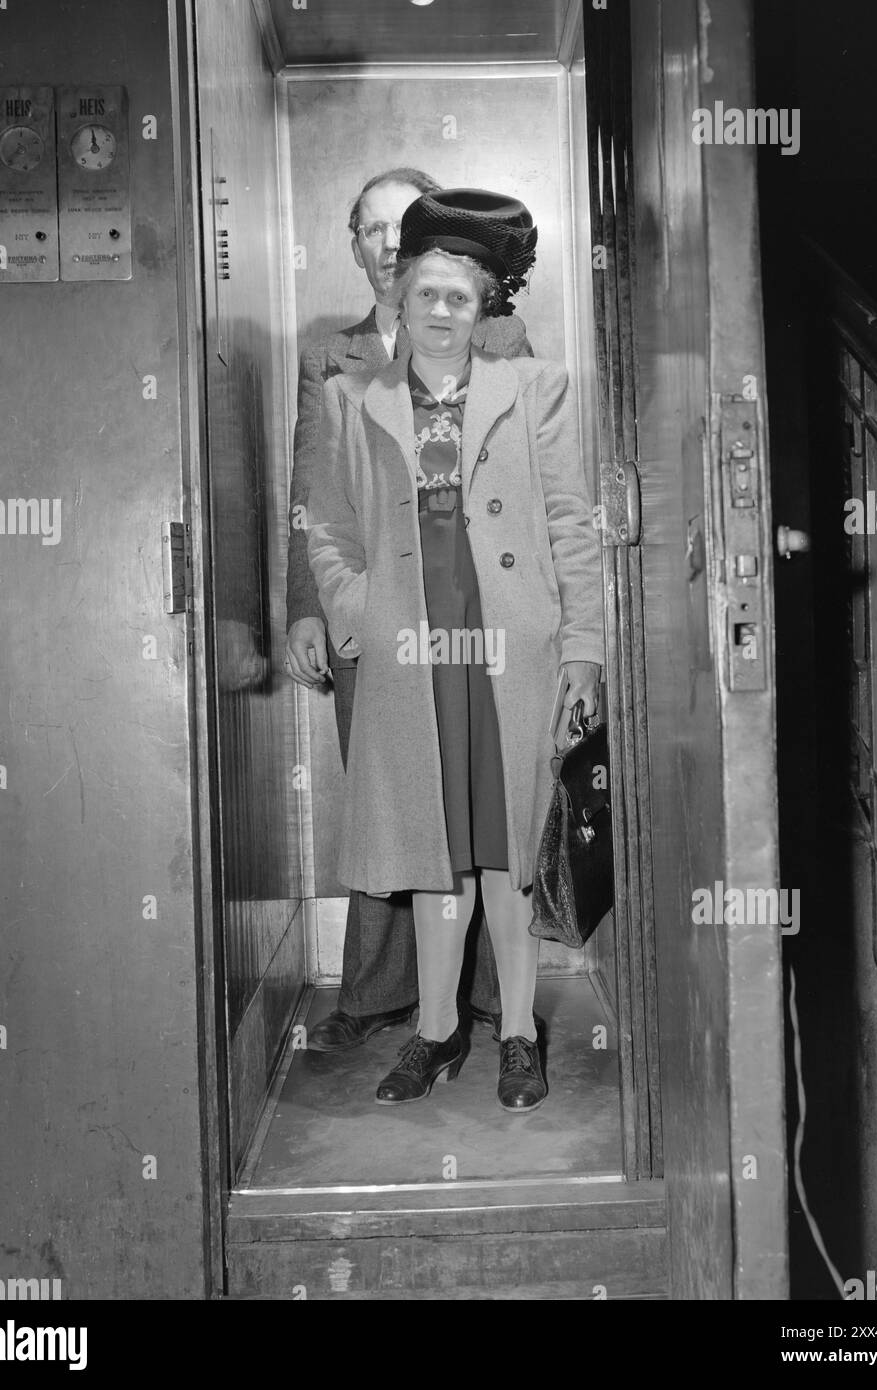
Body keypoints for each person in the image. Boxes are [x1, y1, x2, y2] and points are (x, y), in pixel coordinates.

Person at [307, 189, 604, 1111]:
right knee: (434, 857)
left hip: (509, 654)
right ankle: (435, 1034)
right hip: (413, 658)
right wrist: (366, 614)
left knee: (508, 853)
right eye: (426, 293)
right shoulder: (350, 399)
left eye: (460, 299)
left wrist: (583, 650)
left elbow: (571, 524)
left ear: (483, 311)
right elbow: (326, 527)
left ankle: (516, 1033)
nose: (440, 312)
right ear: (400, 296)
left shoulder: (538, 391)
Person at [284, 168, 533, 1054]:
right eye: (370, 229)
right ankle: (381, 991)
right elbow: (314, 498)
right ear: (354, 245)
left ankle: (503, 1006)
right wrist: (318, 609)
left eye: (403, 227)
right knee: (392, 799)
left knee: (486, 805)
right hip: (382, 614)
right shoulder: (336, 357)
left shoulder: (498, 338)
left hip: (478, 610)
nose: (387, 244)